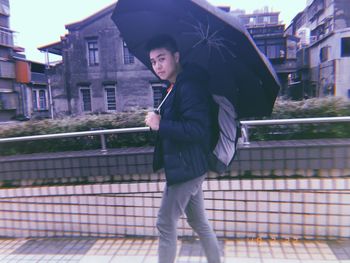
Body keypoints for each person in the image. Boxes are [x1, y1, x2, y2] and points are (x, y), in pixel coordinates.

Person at [144, 34, 221, 263]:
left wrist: (161, 124)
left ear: (176, 57)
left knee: (165, 223)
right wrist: (158, 121)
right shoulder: (174, 87)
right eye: (153, 61)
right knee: (199, 223)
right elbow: (178, 125)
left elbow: (198, 130)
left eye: (162, 58)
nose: (157, 66)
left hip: (186, 169)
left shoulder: (189, 87)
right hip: (189, 166)